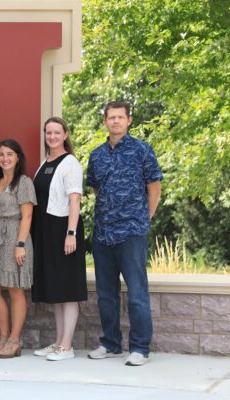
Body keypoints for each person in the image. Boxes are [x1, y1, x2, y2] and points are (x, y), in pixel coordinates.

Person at [86, 101, 163, 366]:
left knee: (137, 292)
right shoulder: (96, 155)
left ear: (129, 120)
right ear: (105, 121)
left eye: (120, 117)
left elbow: (155, 188)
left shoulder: (142, 150)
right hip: (103, 234)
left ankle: (140, 348)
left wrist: (144, 219)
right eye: (111, 117)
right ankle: (111, 343)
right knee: (106, 293)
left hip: (132, 233)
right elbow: (97, 190)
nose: (116, 121)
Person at [31, 117, 87, 361]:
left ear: (65, 135)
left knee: (68, 288)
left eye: (56, 132)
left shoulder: (70, 162)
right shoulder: (45, 163)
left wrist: (71, 233)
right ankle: (57, 342)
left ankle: (67, 345)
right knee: (55, 288)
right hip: (45, 229)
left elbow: (75, 199)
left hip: (63, 228)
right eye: (48, 132)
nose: (51, 137)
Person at [0, 139, 36, 359]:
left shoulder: (23, 182)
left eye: (9, 154)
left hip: (15, 236)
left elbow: (27, 215)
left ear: (18, 157)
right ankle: (3, 336)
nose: (5, 158)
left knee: (15, 288)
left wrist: (20, 245)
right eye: (1, 154)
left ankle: (15, 339)